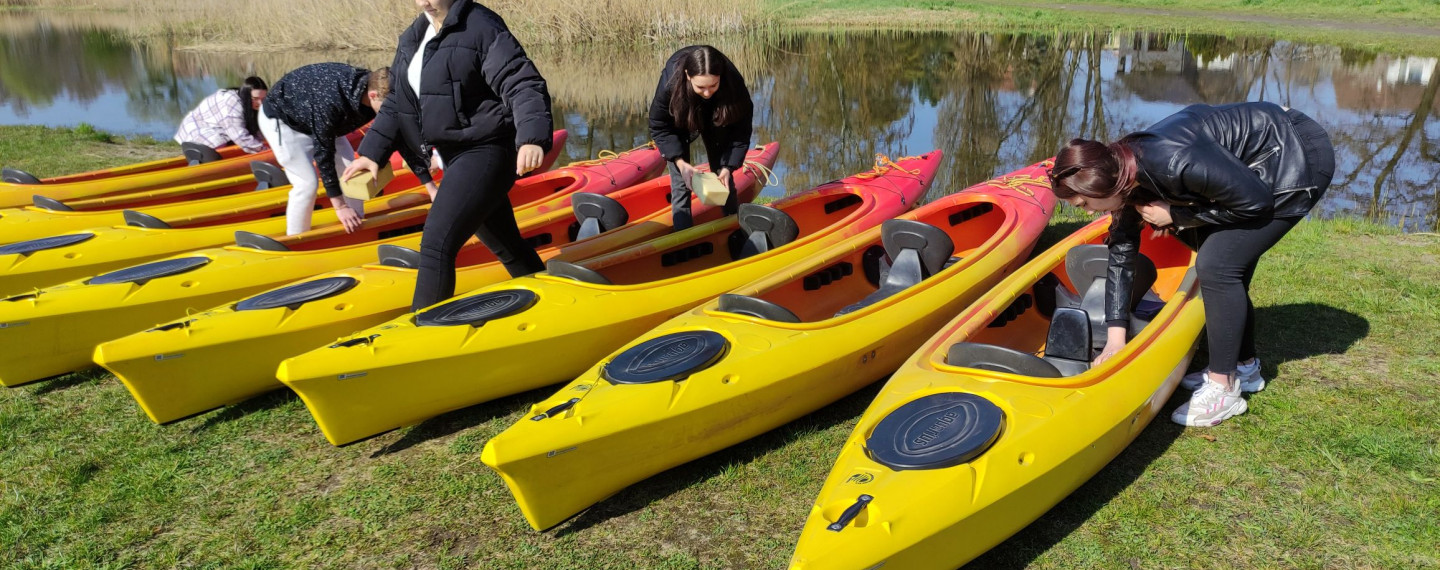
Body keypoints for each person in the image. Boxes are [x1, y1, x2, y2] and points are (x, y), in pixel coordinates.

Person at [1047, 101, 1334, 427]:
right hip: (1254, 165)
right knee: (1224, 262)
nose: (1085, 211)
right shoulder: (1124, 172)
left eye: (1084, 202)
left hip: (1295, 156)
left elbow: (1256, 202)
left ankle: (1223, 389)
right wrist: (1116, 338)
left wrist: (1178, 215)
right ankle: (1244, 367)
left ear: (1104, 185)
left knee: (1217, 264)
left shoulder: (1170, 161)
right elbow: (1121, 256)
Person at [344, 0, 552, 311]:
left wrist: (531, 138)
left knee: (436, 245)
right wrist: (372, 152)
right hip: (456, 155)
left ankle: (422, 333)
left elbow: (521, 82)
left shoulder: (481, 26)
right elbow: (398, 100)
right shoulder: (415, 36)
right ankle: (547, 301)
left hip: (488, 150)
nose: (423, 1)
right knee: (507, 246)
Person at [260, 63, 436, 236]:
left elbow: (399, 138)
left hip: (325, 121)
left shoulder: (379, 92)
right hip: (283, 121)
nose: (389, 114)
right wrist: (340, 206)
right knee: (307, 184)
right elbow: (324, 154)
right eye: (387, 109)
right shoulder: (331, 102)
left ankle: (355, 223)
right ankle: (295, 238)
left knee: (352, 173)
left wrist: (431, 188)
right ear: (373, 95)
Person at [648, 45, 754, 231]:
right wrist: (680, 162)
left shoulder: (733, 83)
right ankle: (682, 238)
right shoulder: (670, 85)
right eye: (701, 87)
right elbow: (659, 126)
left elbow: (741, 131)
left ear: (720, 76)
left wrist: (728, 167)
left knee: (724, 179)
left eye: (713, 85)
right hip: (680, 117)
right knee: (681, 183)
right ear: (688, 75)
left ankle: (735, 230)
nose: (707, 93)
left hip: (719, 114)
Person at [174, 76, 269, 153]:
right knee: (219, 144)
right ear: (246, 95)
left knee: (249, 142)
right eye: (255, 98)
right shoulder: (233, 103)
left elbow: (259, 131)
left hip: (219, 127)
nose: (260, 103)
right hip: (198, 128)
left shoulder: (254, 104)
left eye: (263, 98)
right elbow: (239, 134)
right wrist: (263, 150)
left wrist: (265, 144)